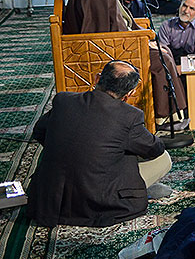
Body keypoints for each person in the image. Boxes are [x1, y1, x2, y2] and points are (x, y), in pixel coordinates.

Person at [27, 61, 173, 227]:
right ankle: (136, 189)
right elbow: (155, 149)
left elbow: (39, 132)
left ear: (97, 78)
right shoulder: (129, 116)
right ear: (130, 93)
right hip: (96, 204)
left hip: (50, 202)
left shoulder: (63, 100)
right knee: (163, 159)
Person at [64, 0, 188, 124]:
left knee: (162, 50)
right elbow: (100, 39)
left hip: (125, 42)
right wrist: (142, 40)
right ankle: (164, 117)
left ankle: (171, 113)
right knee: (160, 58)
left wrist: (144, 37)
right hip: (110, 53)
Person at [156, 0, 195, 64]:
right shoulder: (166, 26)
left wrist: (183, 67)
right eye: (184, 6)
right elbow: (162, 53)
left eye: (191, 8)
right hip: (169, 66)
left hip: (194, 68)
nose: (186, 11)